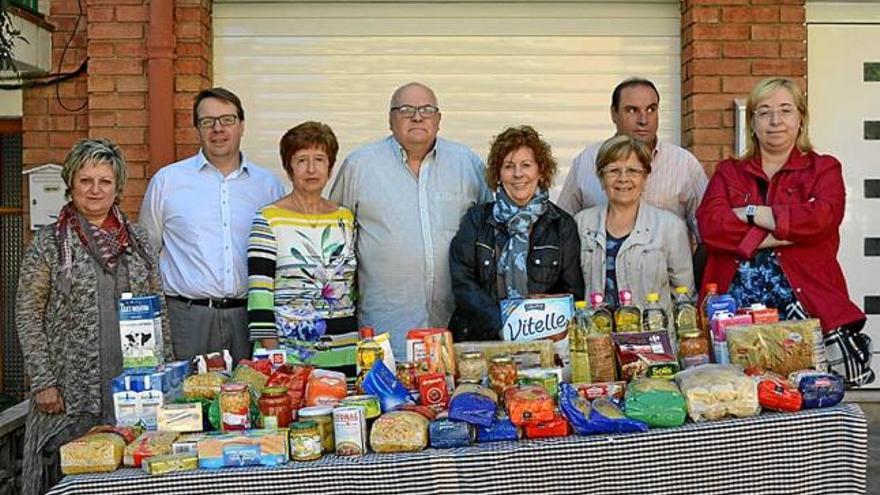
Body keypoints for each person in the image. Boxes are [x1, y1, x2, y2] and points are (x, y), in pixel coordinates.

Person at [16, 139, 172, 495]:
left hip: (133, 390)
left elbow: (158, 308)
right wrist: (43, 381)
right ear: (71, 184)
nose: (95, 189)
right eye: (86, 180)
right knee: (67, 476)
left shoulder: (138, 241)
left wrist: (165, 376)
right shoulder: (50, 243)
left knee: (129, 478)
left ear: (118, 187)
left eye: (104, 180)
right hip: (70, 393)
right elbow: (27, 313)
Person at [696, 77, 873, 387]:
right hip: (734, 317)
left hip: (804, 311)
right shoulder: (729, 172)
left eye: (785, 110)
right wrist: (791, 230)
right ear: (751, 122)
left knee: (810, 403)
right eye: (764, 112)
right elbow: (711, 227)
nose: (775, 120)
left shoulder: (824, 169)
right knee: (737, 401)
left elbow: (822, 218)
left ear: (801, 118)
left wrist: (751, 214)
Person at [330, 82, 492, 358]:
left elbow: (491, 234)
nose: (417, 117)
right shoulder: (359, 166)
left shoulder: (467, 164)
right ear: (390, 120)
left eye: (426, 110)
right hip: (384, 333)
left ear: (439, 119)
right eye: (406, 110)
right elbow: (334, 244)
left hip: (457, 331)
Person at [140, 87, 286, 364]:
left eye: (227, 120)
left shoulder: (268, 186)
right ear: (197, 128)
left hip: (251, 318)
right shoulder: (167, 182)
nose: (218, 129)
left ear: (242, 125)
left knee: (254, 399)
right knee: (188, 402)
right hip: (187, 318)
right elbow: (146, 253)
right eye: (208, 121)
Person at [448, 125, 584, 340]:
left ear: (541, 172)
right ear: (498, 174)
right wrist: (505, 323)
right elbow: (463, 283)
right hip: (481, 339)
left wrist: (534, 327)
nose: (518, 174)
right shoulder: (476, 219)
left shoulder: (561, 224)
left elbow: (572, 292)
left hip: (543, 341)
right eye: (509, 166)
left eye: (526, 165)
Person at [247, 122, 357, 363]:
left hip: (343, 348)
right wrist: (273, 355)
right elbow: (259, 293)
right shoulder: (268, 218)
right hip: (290, 354)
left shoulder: (345, 219)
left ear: (330, 167)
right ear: (289, 168)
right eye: (301, 160)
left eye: (319, 159)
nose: (311, 169)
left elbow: (354, 288)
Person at [557, 77, 708, 243]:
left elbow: (708, 234)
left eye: (651, 109)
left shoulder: (684, 164)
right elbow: (561, 228)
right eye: (632, 110)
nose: (643, 120)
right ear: (614, 114)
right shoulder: (587, 160)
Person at [575, 134, 694, 330]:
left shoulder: (670, 227)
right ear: (601, 177)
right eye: (613, 170)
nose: (623, 178)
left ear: (645, 177)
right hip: (594, 345)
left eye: (632, 170)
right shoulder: (581, 224)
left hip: (653, 346)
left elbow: (684, 296)